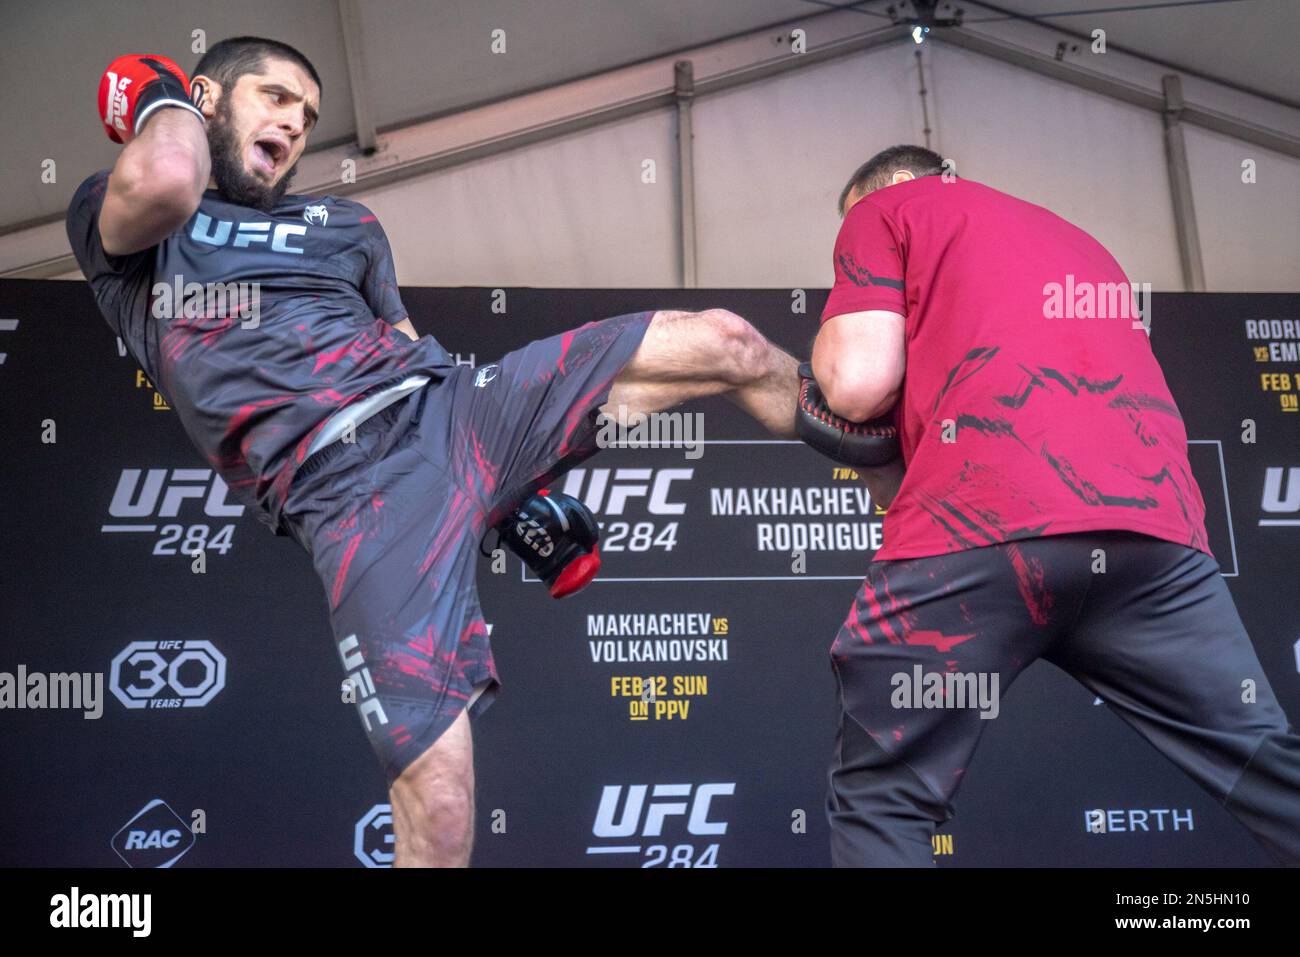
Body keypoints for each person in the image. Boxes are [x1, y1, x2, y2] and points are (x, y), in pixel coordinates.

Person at [66, 37, 799, 867]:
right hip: (348, 491)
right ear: (204, 99)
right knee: (441, 809)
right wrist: (163, 100)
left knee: (727, 342)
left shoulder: (347, 225)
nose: (294, 125)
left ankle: (880, 444)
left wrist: (510, 493)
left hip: (448, 412)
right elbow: (164, 176)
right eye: (273, 99)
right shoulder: (127, 217)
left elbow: (413, 348)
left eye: (307, 116)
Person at [801, 144, 1300, 866]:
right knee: (1268, 767)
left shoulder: (883, 209)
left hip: (984, 518)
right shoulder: (1079, 238)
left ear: (894, 188)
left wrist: (824, 358)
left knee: (883, 795)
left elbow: (855, 382)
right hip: (1155, 533)